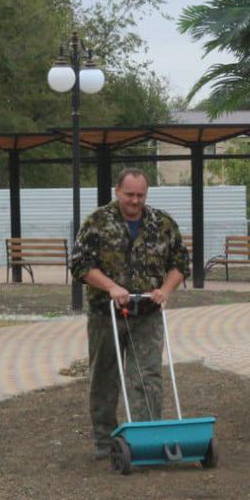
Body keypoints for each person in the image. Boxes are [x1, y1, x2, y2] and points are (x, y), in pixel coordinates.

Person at [69, 168, 189, 459]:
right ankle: (104, 440)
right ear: (117, 191)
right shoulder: (97, 222)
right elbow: (80, 265)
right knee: (104, 376)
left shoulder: (162, 223)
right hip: (106, 313)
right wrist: (110, 287)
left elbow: (180, 263)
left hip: (147, 312)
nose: (135, 201)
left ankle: (148, 437)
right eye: (129, 195)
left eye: (140, 195)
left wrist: (165, 289)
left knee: (147, 376)